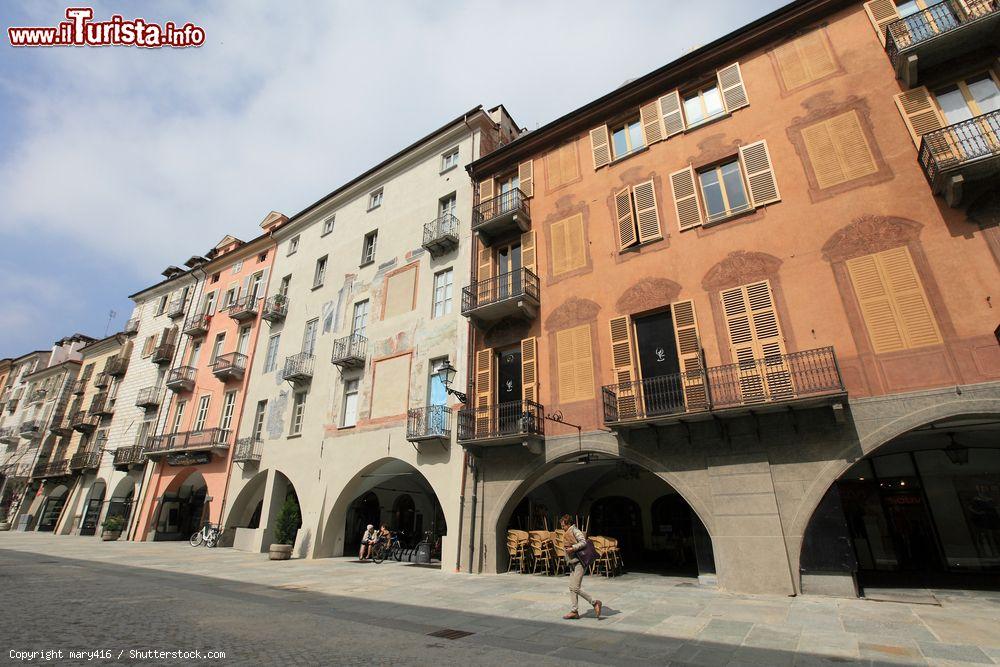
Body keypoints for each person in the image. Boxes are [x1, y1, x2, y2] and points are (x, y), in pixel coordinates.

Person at [560, 514, 602, 620]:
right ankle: (574, 611)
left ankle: (595, 602)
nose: (562, 528)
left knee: (575, 588)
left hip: (579, 562)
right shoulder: (567, 532)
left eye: (563, 525)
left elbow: (583, 542)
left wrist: (573, 548)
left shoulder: (575, 531)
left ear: (568, 524)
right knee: (572, 588)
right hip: (572, 563)